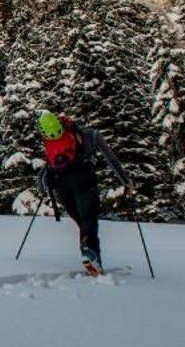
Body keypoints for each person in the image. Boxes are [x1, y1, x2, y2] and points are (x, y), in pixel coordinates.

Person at [37, 110, 128, 275]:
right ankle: (90, 254)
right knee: (89, 219)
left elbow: (45, 171)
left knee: (83, 223)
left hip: (61, 186)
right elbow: (111, 158)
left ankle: (92, 258)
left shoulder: (50, 142)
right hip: (84, 180)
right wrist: (125, 181)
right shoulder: (90, 135)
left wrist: (43, 188)